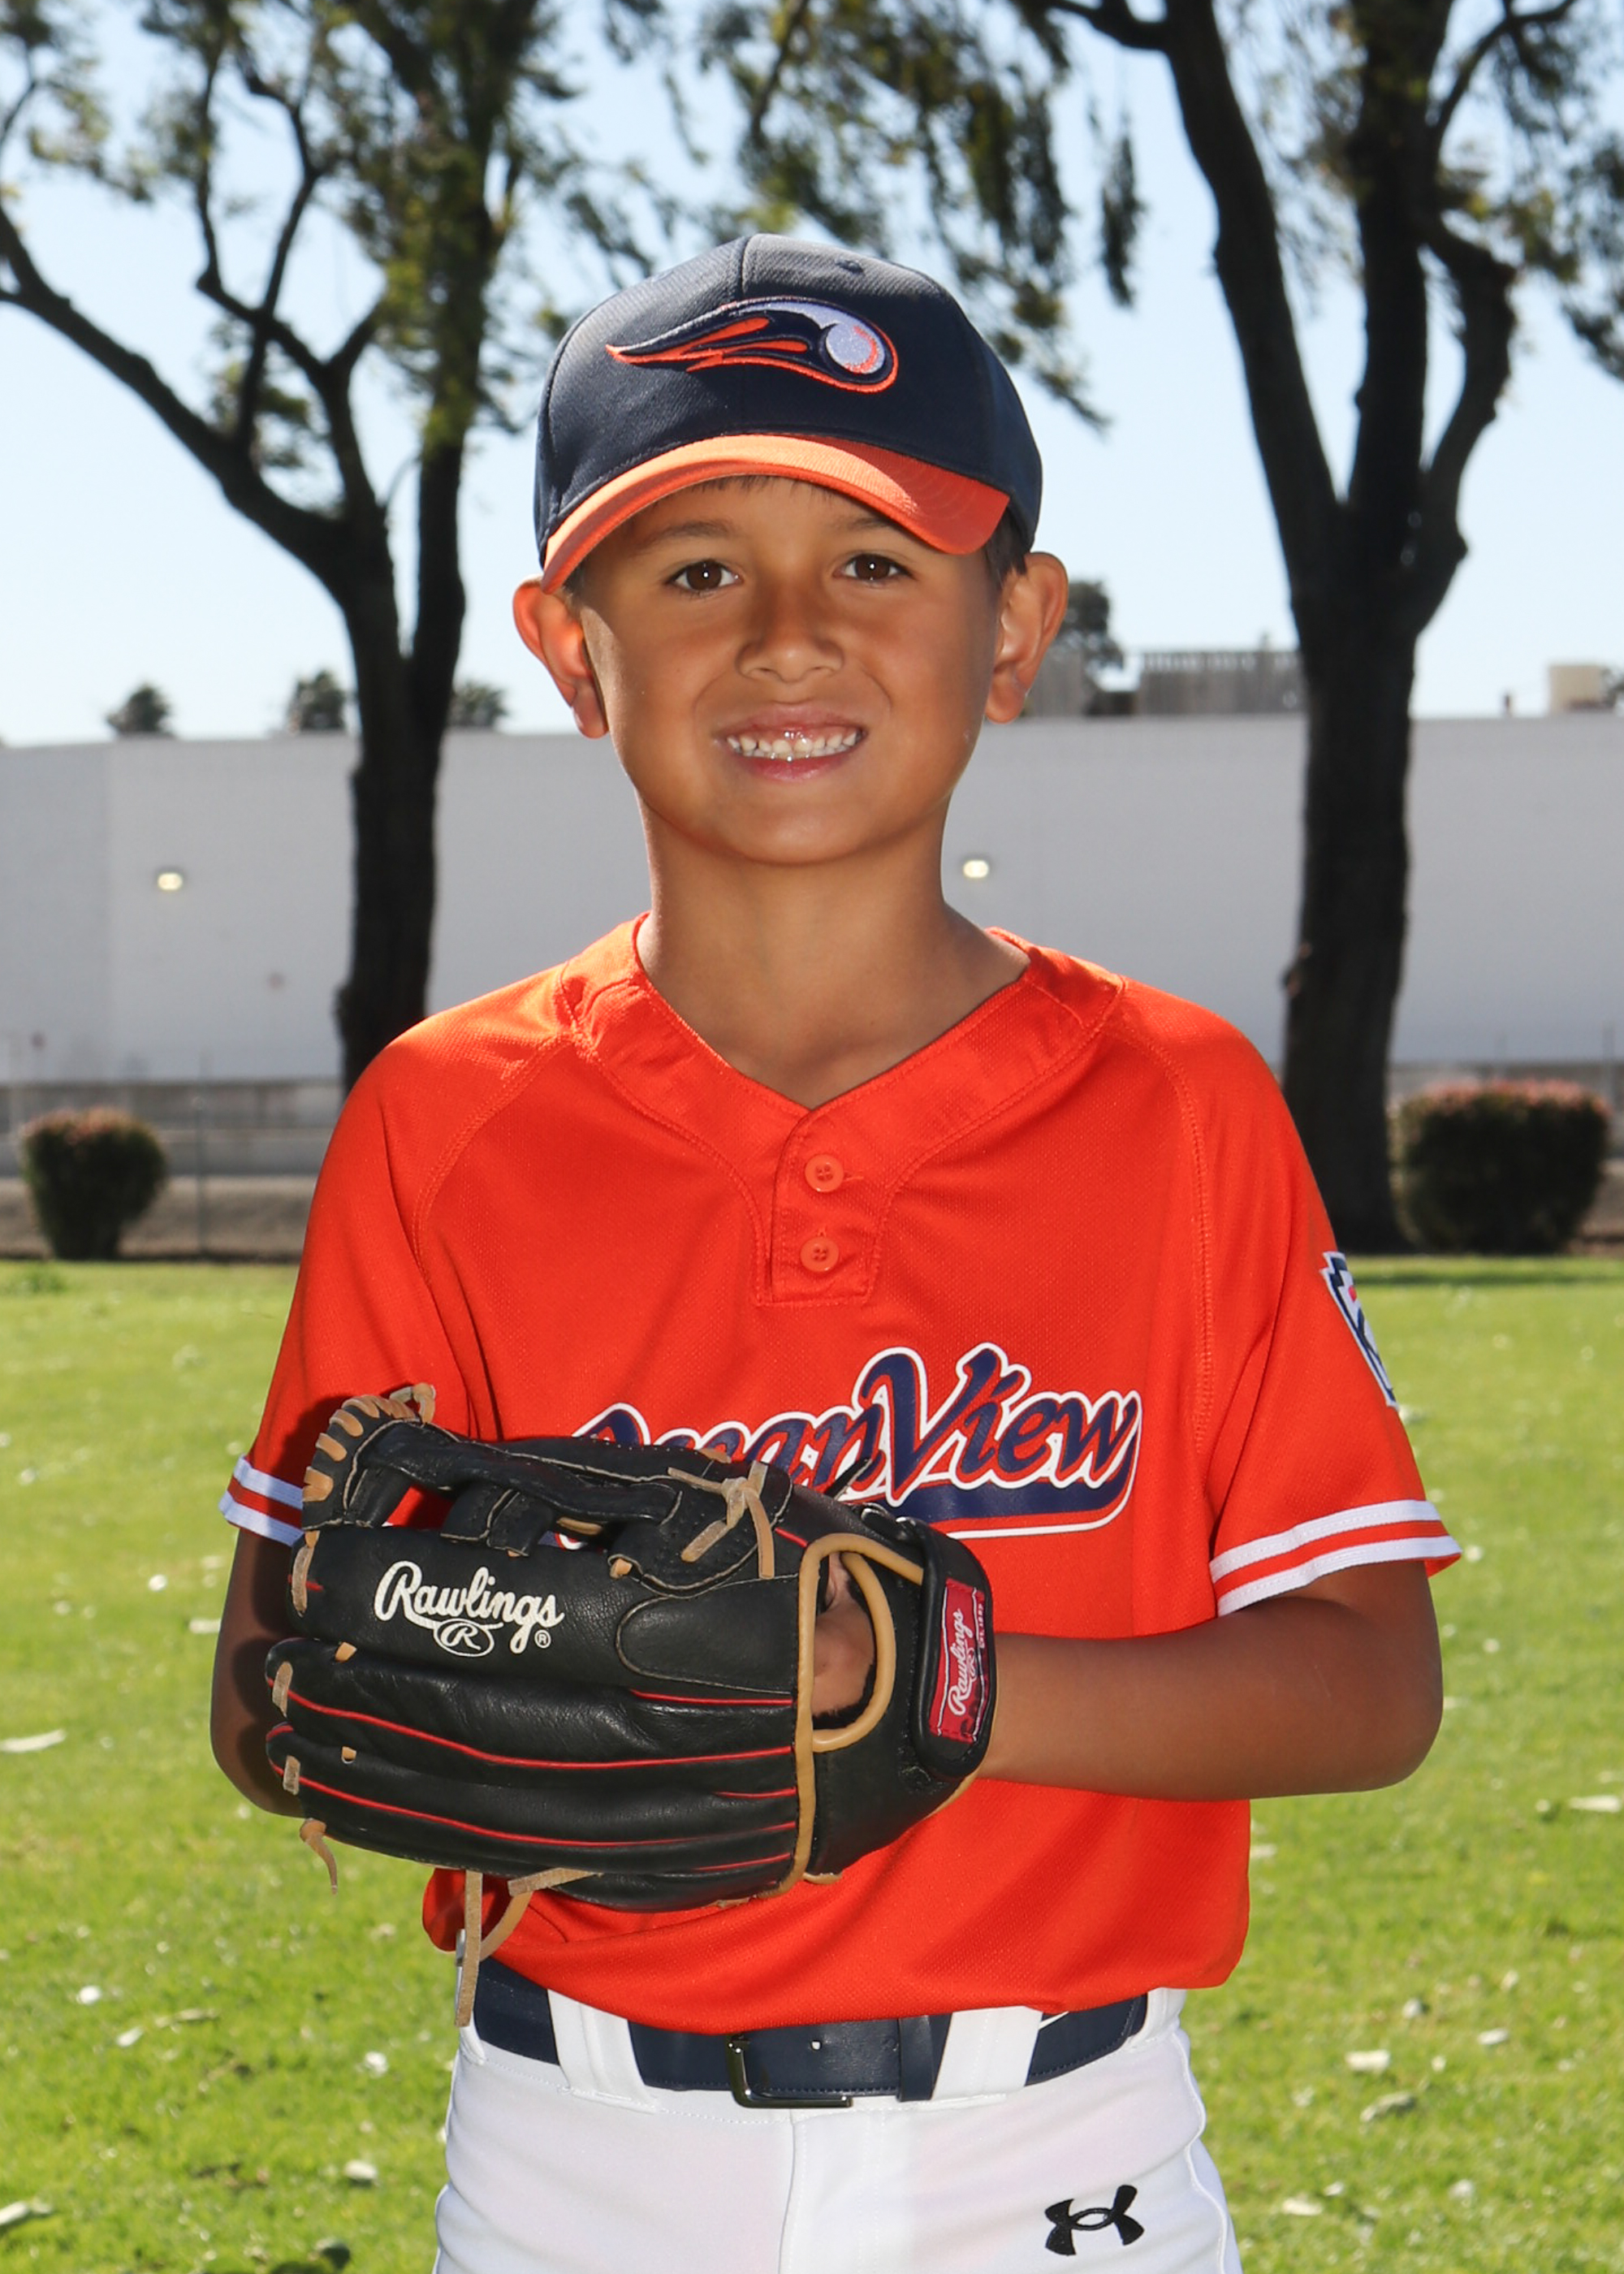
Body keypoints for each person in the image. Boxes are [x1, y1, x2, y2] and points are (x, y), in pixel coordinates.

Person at [211, 236, 1456, 2274]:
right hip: (573, 2152)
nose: (788, 637)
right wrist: (465, 1673)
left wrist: (909, 1681)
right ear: (571, 647)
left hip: (1052, 2145)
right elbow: (273, 1689)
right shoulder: (447, 1115)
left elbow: (1366, 1680)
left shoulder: (1177, 1102)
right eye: (697, 568)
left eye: (875, 560)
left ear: (1013, 625)